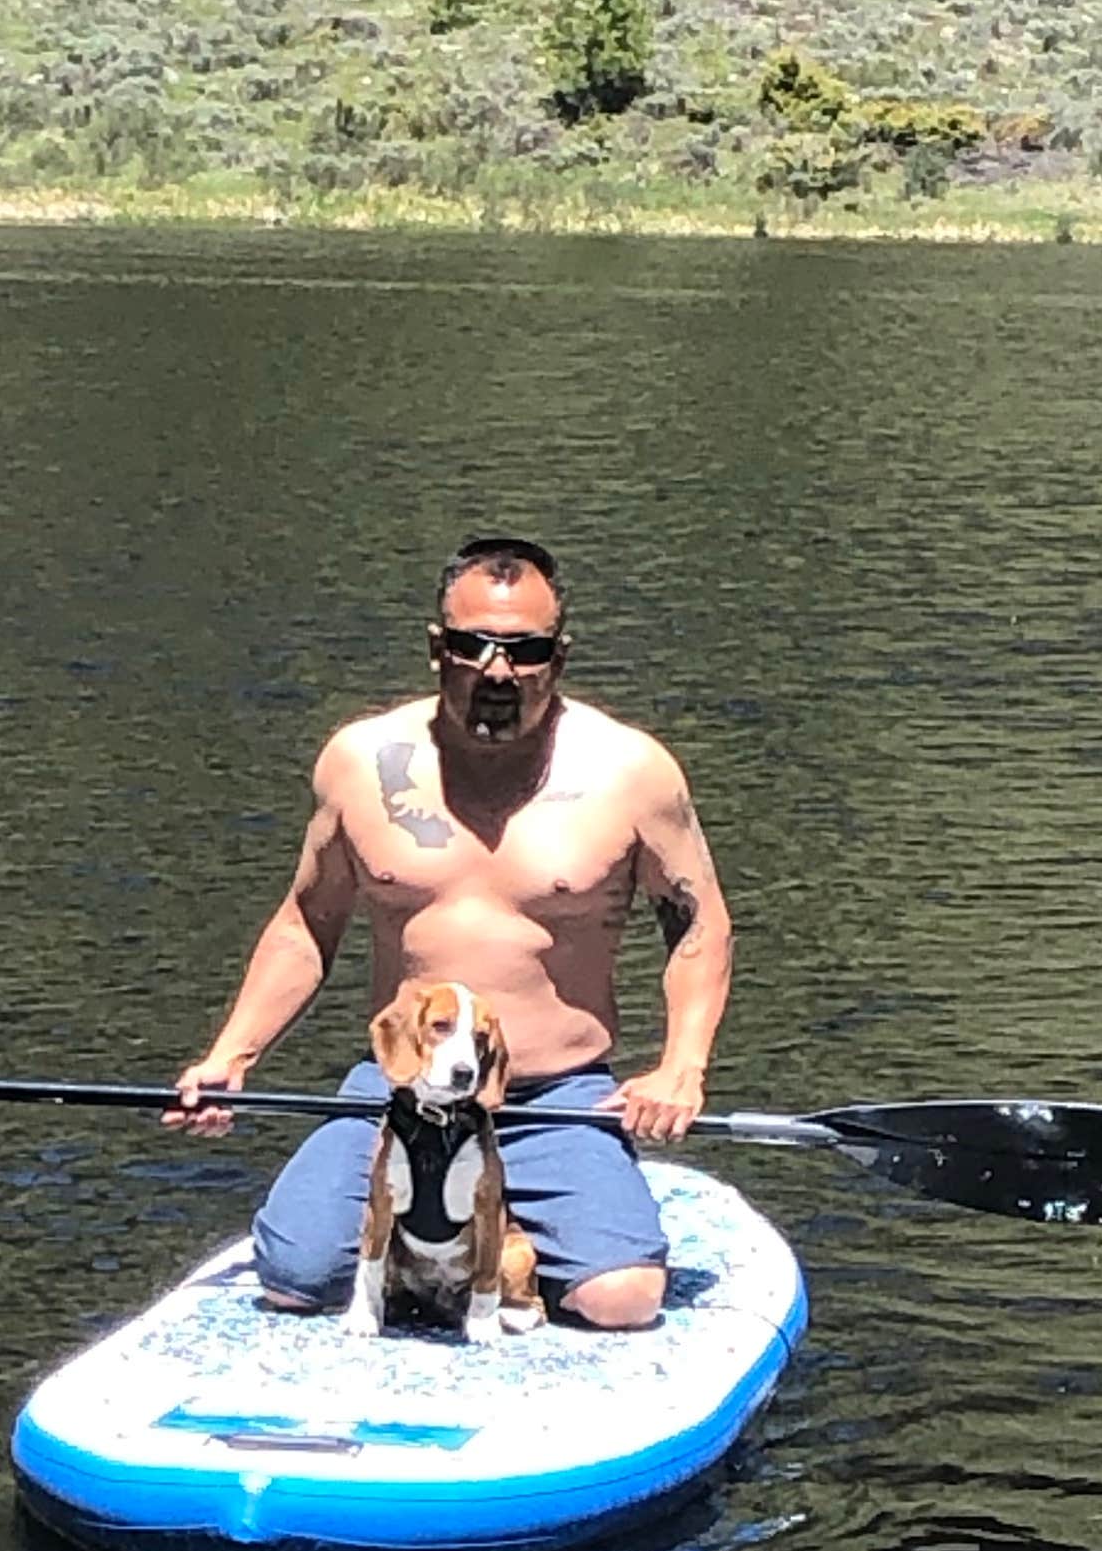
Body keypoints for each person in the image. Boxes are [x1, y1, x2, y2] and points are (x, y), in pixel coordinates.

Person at [170, 533, 733, 1331]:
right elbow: (307, 922)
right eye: (474, 646)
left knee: (623, 1301)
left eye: (524, 650)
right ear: (439, 649)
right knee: (295, 1278)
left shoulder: (630, 773)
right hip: (400, 1094)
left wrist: (682, 1068)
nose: (497, 670)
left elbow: (699, 926)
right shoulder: (362, 763)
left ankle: (505, 1228)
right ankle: (439, 1233)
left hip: (554, 1097)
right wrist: (233, 1054)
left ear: (558, 657)